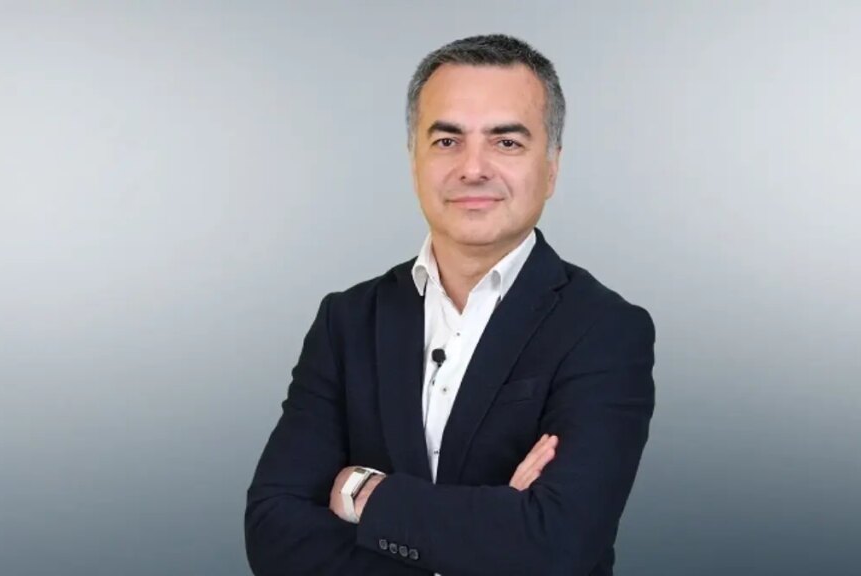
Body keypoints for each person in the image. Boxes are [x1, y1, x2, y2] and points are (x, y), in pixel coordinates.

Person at [245, 34, 656, 576]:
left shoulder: (606, 330)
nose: (473, 168)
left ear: (552, 167)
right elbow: (273, 532)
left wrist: (364, 493)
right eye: (447, 141)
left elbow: (558, 545)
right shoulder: (346, 322)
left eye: (506, 142)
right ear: (414, 160)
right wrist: (490, 531)